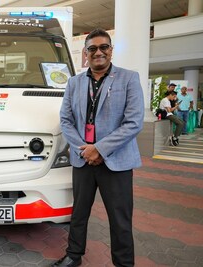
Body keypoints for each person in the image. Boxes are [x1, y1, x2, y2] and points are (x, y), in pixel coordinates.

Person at [55, 28, 144, 267]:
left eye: (103, 47)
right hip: (83, 159)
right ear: (85, 53)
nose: (98, 52)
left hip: (116, 162)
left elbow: (134, 122)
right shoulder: (74, 83)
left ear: (111, 50)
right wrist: (85, 149)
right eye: (92, 49)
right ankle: (74, 256)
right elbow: (65, 120)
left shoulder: (129, 78)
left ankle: (124, 263)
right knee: (79, 214)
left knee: (120, 219)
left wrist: (100, 149)